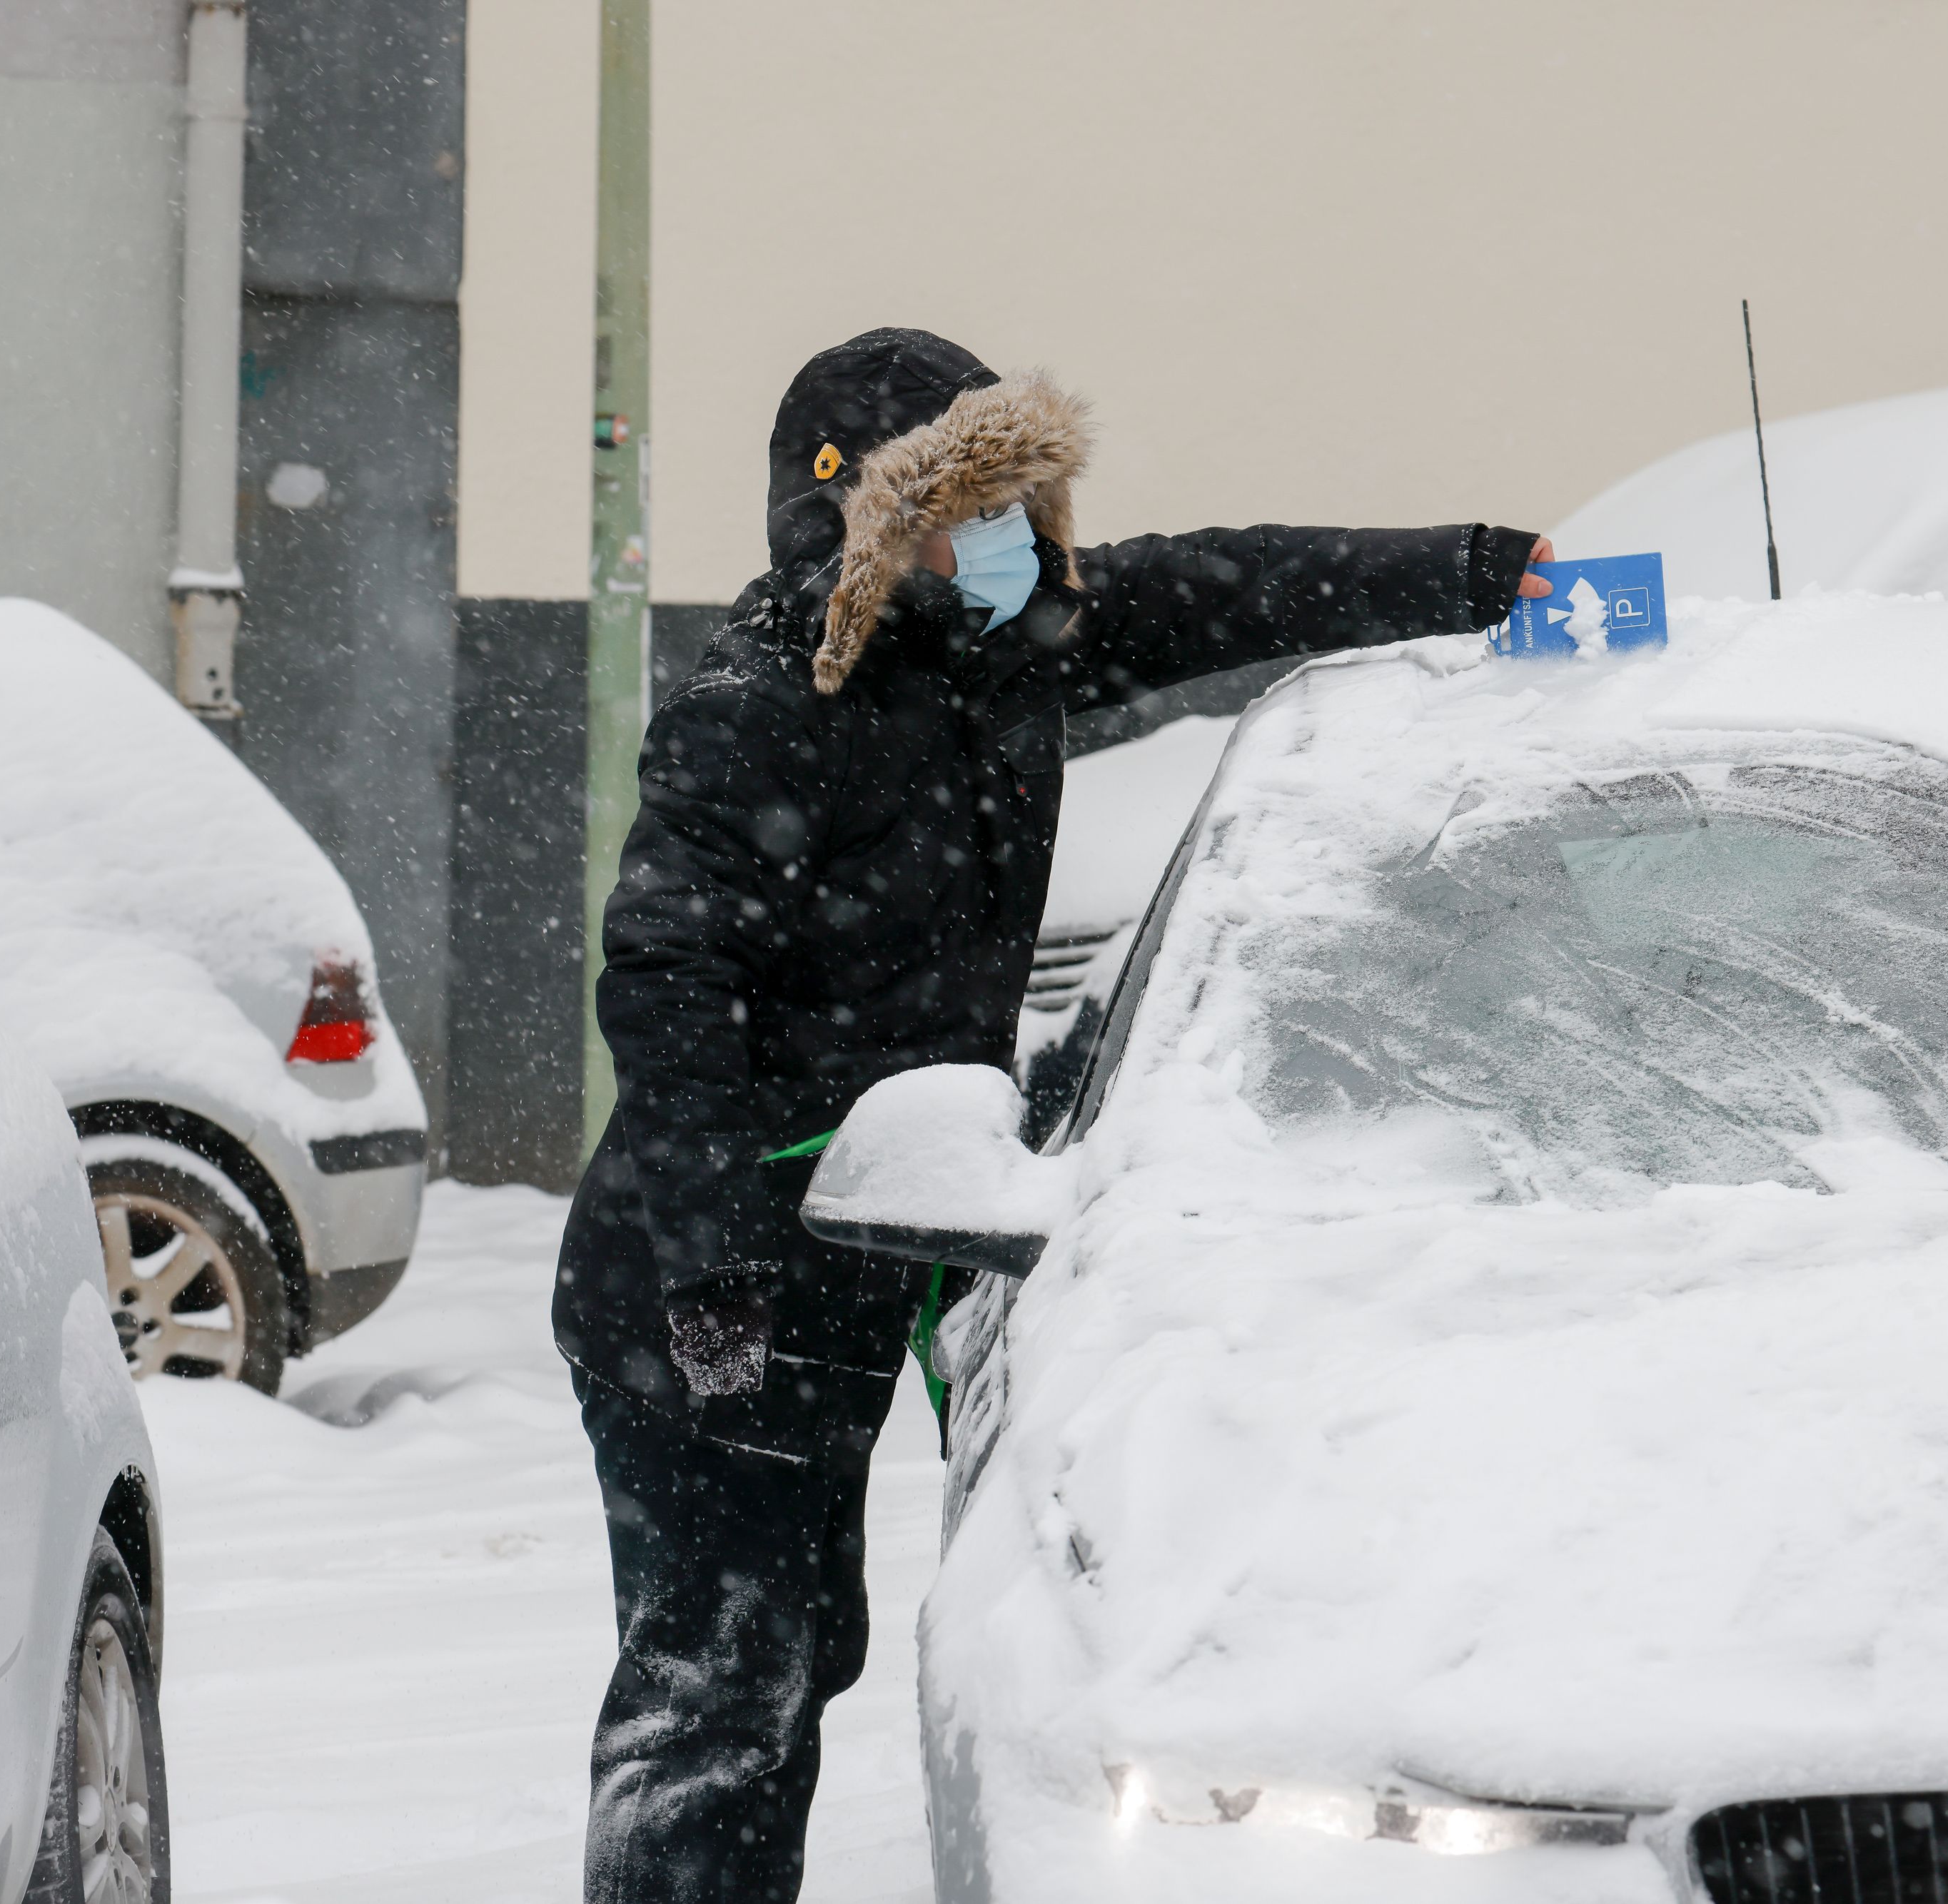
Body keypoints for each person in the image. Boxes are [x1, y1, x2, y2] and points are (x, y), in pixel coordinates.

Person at [553, 327, 1551, 1902]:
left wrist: (1482, 568)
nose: (1017, 531)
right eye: (978, 501)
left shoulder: (1003, 650)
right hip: (711, 1261)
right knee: (724, 1682)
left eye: (1029, 495)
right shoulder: (763, 704)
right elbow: (667, 982)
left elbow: (1231, 583)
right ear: (869, 525)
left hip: (899, 1206)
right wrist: (714, 1268)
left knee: (836, 1638)